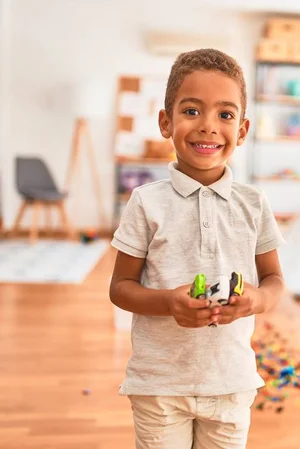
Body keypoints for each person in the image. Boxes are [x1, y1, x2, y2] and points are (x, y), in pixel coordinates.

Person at [109, 48, 286, 449]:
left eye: (225, 115)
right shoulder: (145, 201)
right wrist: (168, 301)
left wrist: (257, 298)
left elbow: (275, 280)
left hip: (230, 383)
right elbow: (120, 287)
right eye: (191, 111)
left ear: (241, 130)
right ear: (165, 122)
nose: (208, 126)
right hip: (159, 385)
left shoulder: (254, 203)